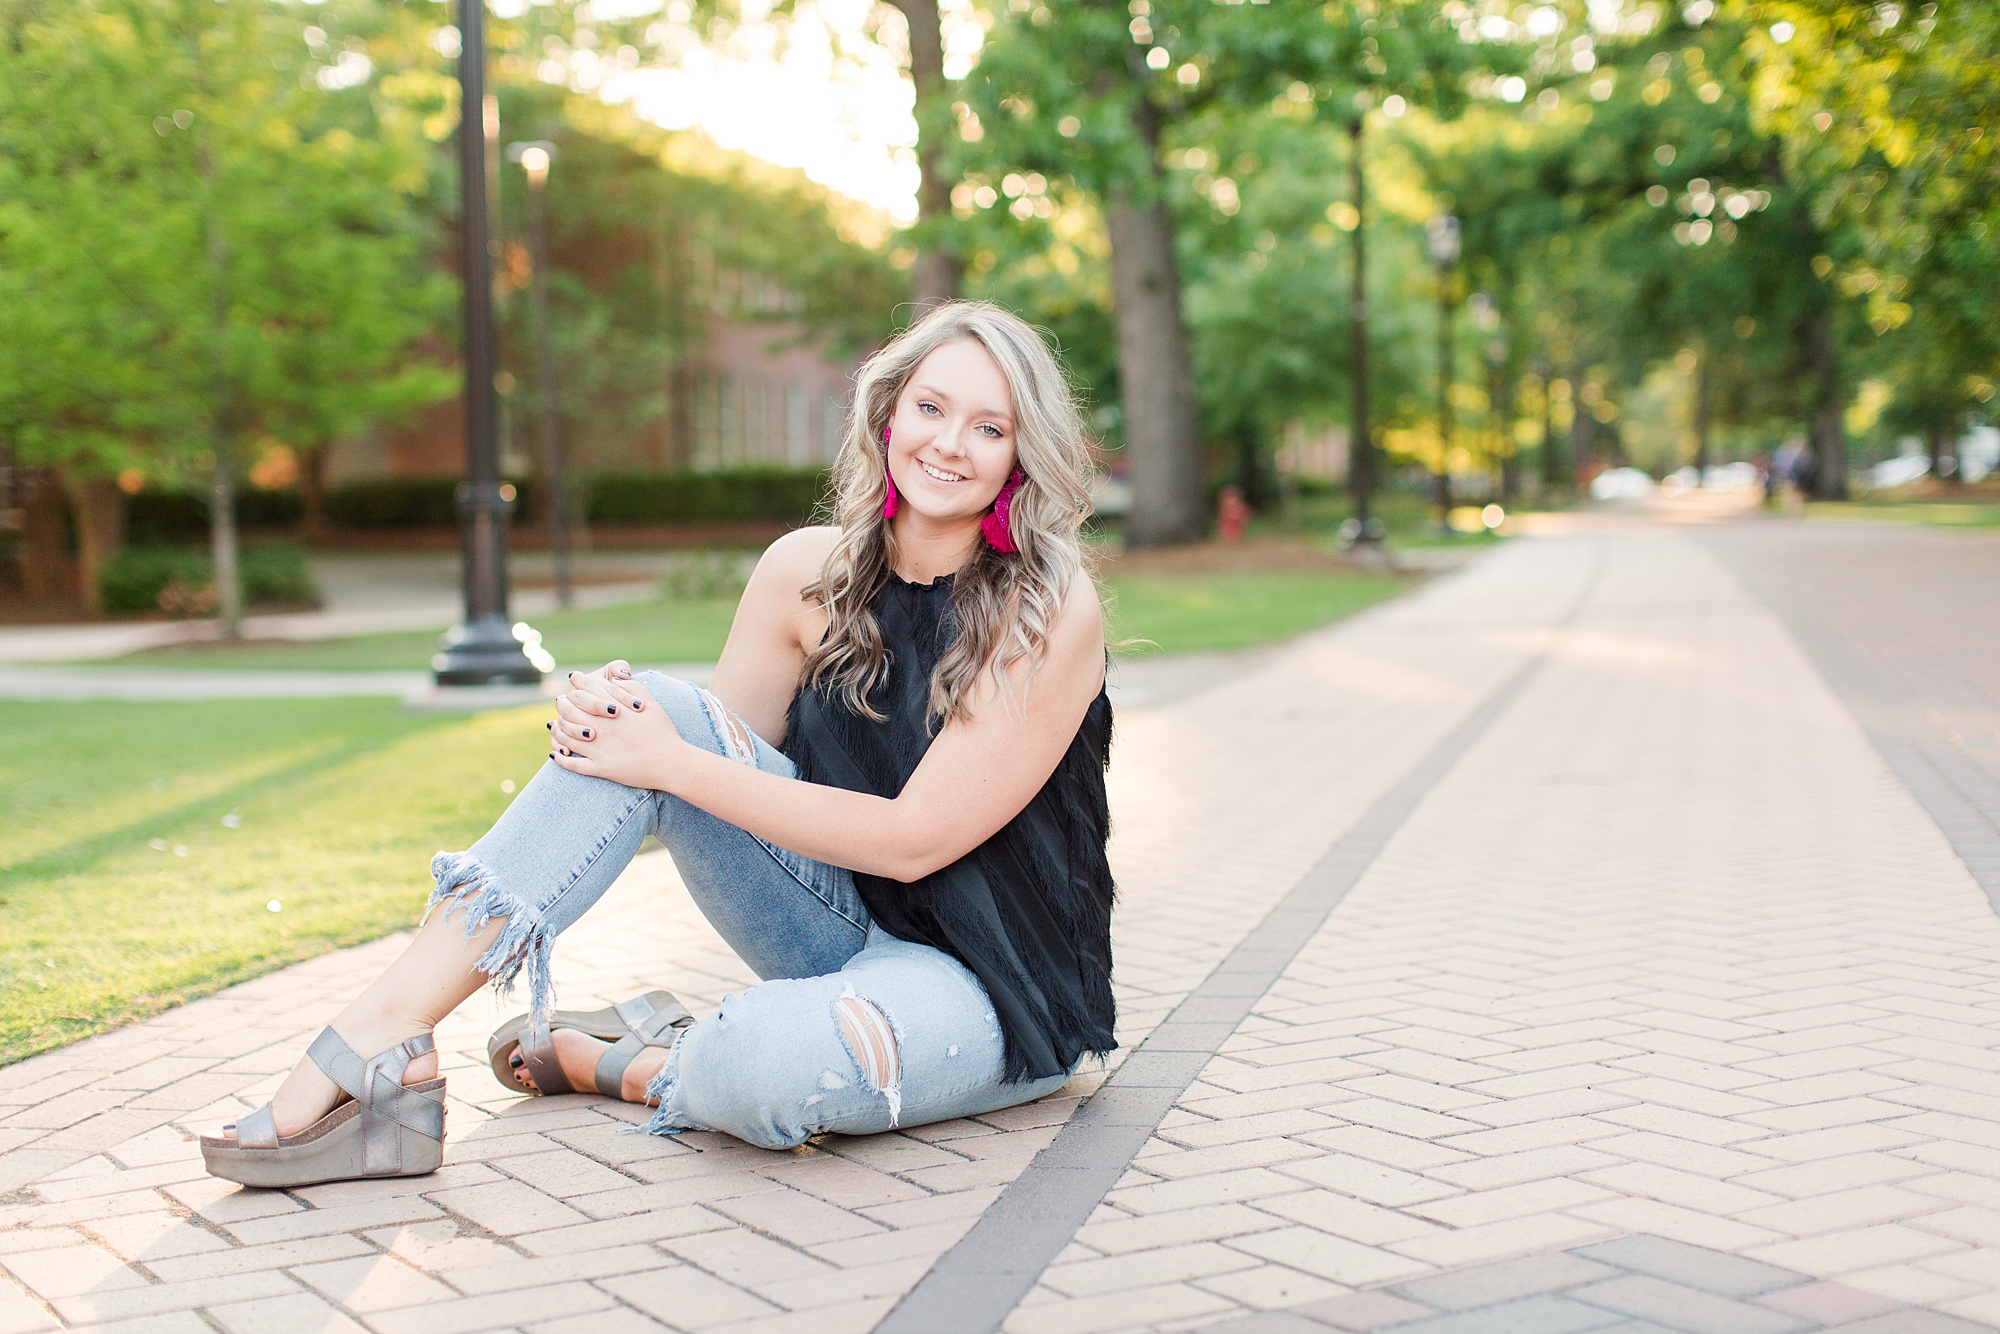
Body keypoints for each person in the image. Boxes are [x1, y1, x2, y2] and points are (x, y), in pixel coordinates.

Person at [202, 301, 1117, 1187]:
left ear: (1019, 457)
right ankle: (379, 1038)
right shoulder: (804, 573)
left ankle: (638, 1062)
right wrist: (613, 736)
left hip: (995, 988)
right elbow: (694, 782)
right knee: (647, 713)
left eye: (988, 427)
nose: (949, 443)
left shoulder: (1047, 605)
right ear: (887, 418)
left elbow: (915, 839)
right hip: (832, 927)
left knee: (758, 1064)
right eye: (930, 407)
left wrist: (665, 760)